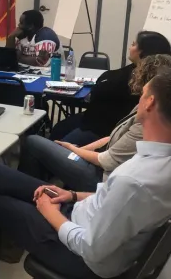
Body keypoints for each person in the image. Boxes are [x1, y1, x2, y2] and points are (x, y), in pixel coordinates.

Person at [0, 68, 171, 279]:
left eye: (142, 94)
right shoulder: (156, 162)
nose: (138, 100)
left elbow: (91, 249)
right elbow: (111, 198)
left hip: (82, 258)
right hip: (84, 216)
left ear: (150, 103)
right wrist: (71, 195)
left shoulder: (134, 179)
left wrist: (49, 211)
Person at [19, 53, 171, 192]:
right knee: (51, 144)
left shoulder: (144, 125)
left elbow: (106, 161)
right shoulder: (144, 112)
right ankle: (38, 191)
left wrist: (73, 150)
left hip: (101, 177)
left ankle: (31, 194)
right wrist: (80, 149)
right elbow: (113, 138)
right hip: (103, 166)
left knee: (33, 142)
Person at [51, 30, 171, 145]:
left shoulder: (142, 81)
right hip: (97, 119)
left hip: (104, 128)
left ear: (142, 52)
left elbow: (103, 89)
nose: (130, 47)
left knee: (59, 142)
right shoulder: (137, 71)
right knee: (58, 129)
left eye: (134, 44)